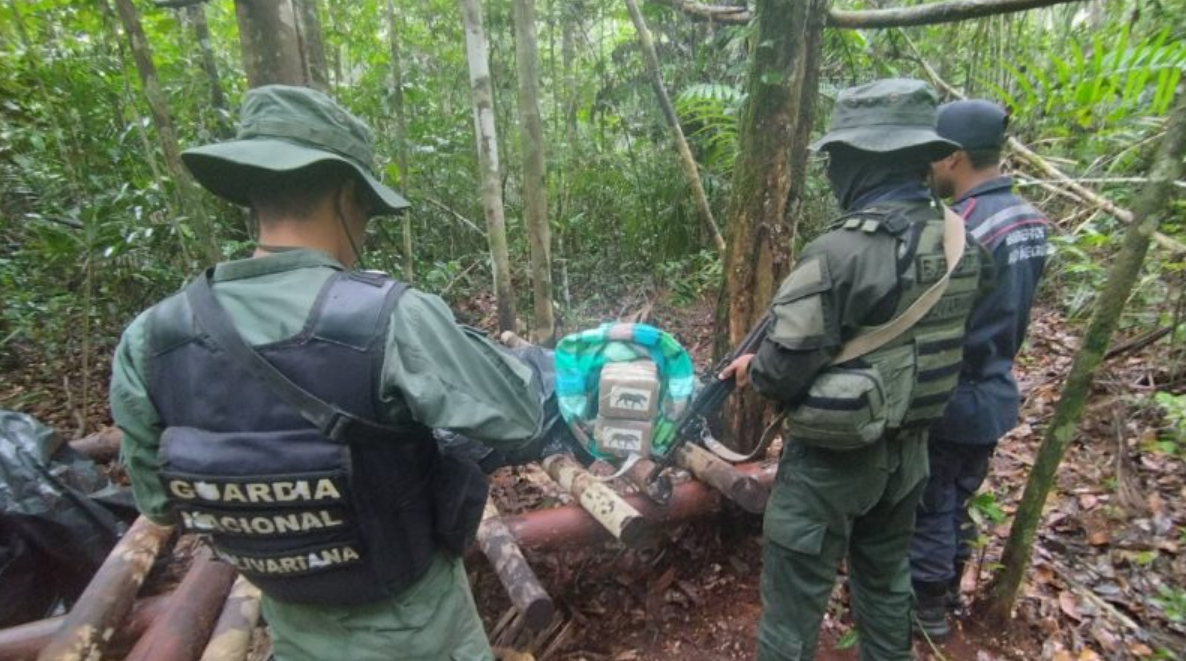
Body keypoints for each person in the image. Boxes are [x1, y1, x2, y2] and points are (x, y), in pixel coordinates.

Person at [110, 85, 543, 661]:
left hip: (293, 626)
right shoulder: (389, 316)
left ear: (254, 194)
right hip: (420, 629)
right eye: (365, 207)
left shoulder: (151, 339)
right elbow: (518, 416)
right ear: (346, 195)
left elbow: (161, 504)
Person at [720, 78, 991, 661]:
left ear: (858, 162)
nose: (832, 173)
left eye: (836, 160)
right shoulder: (963, 241)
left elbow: (783, 370)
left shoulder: (842, 250)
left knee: (794, 603)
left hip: (832, 467)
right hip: (910, 454)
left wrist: (754, 372)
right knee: (887, 584)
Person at [910, 100, 1049, 640]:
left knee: (931, 504)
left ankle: (924, 614)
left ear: (955, 157)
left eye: (932, 156)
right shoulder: (1029, 219)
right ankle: (943, 592)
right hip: (994, 389)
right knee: (956, 500)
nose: (927, 168)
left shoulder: (961, 227)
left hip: (953, 390)